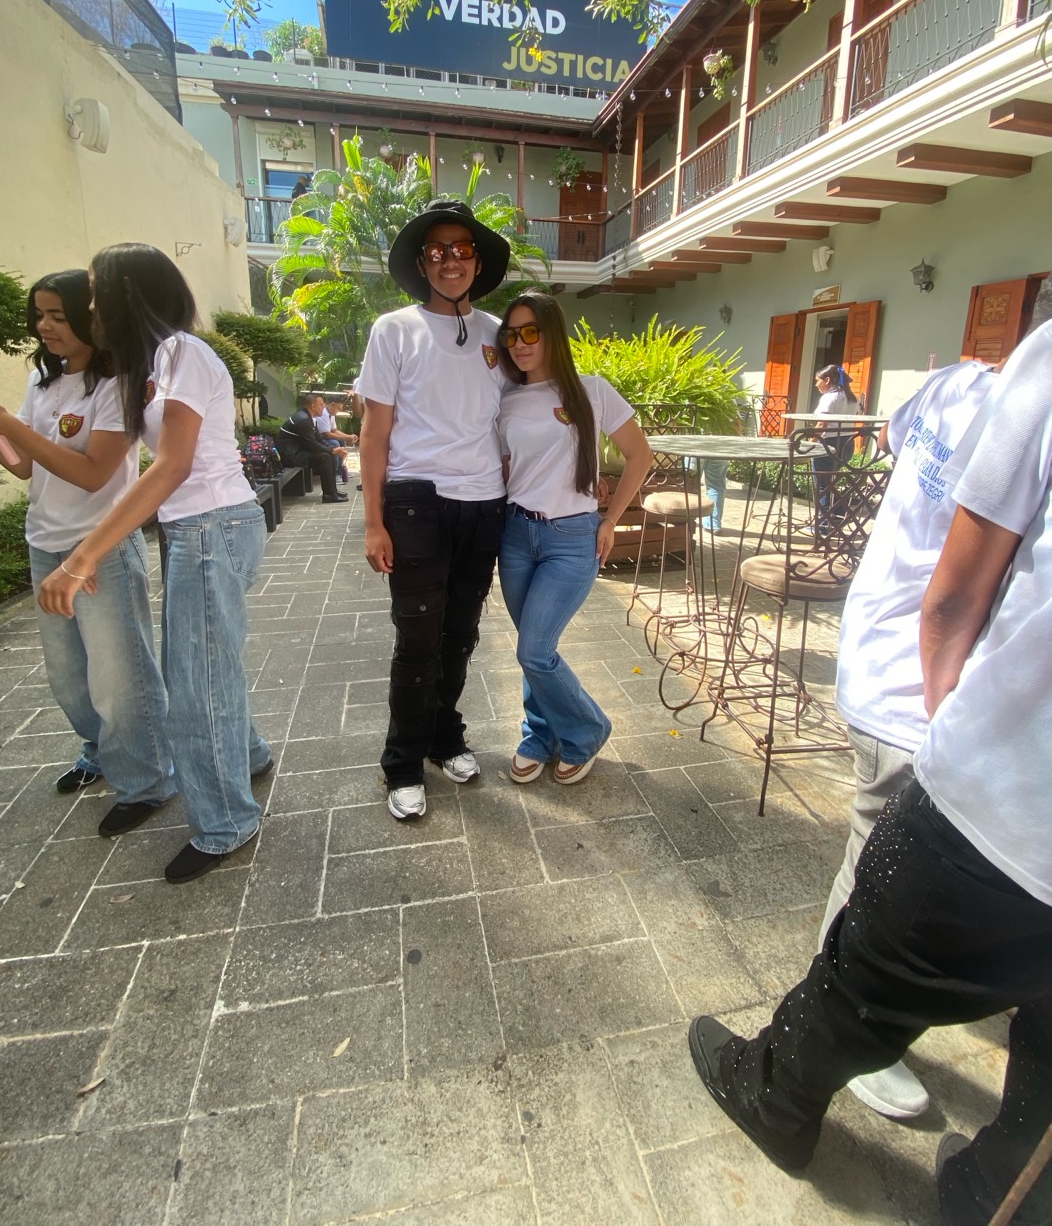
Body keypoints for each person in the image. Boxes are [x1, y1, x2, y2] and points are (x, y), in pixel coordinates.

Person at [687, 320, 1052, 1226]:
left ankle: (804, 1089)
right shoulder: (999, 386)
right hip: (939, 709)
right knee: (887, 900)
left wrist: (949, 725)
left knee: (875, 915)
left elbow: (954, 584)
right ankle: (981, 1172)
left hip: (961, 731)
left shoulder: (972, 383)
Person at [36, 243, 274, 884]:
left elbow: (171, 466)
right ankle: (248, 755)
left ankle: (226, 822)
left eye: (94, 294)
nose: (88, 308)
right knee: (206, 668)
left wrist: (84, 555)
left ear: (126, 295)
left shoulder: (182, 353)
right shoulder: (149, 364)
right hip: (196, 530)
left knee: (196, 688)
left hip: (212, 527)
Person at [821, 358, 997, 1119]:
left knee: (877, 852)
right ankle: (844, 1028)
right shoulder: (1022, 415)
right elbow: (953, 599)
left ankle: (847, 1007)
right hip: (917, 682)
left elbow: (896, 438)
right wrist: (945, 714)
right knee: (881, 865)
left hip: (878, 648)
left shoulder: (959, 380)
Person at [0, 271, 173, 815]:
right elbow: (21, 465)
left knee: (119, 675)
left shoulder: (119, 384)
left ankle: (148, 779)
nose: (45, 326)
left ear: (91, 318)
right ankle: (102, 751)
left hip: (100, 549)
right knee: (68, 677)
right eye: (39, 315)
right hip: (45, 543)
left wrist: (9, 426)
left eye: (58, 316)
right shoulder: (43, 382)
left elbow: (93, 474)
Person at [358, 199, 510, 821]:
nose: (451, 260)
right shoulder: (393, 330)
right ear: (422, 264)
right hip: (416, 500)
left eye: (462, 249)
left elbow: (512, 421)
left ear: (477, 262)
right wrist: (373, 522)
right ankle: (401, 761)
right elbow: (374, 432)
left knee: (461, 634)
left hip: (485, 502)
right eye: (438, 251)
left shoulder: (499, 334)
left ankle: (446, 738)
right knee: (418, 637)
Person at [495, 291, 651, 783]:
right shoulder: (505, 398)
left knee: (534, 649)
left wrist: (611, 518)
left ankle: (587, 731)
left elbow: (640, 456)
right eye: (511, 335)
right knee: (533, 647)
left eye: (531, 332)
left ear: (552, 334)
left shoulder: (592, 390)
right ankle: (539, 735)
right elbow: (507, 468)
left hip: (571, 538)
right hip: (515, 534)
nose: (520, 343)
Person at [275, 393, 347, 502]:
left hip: (298, 451)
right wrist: (333, 450)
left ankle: (332, 491)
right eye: (321, 405)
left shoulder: (310, 418)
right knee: (325, 457)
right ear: (313, 406)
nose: (323, 407)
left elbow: (320, 440)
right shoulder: (303, 419)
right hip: (289, 455)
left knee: (328, 454)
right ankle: (329, 495)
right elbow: (312, 444)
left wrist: (333, 449)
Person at [810, 363, 857, 526]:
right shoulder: (851, 398)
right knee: (830, 483)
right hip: (847, 444)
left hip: (830, 445)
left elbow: (822, 424)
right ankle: (837, 516)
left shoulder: (829, 397)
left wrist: (810, 443)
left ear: (828, 380)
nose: (816, 385)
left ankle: (823, 525)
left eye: (818, 380)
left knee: (822, 485)